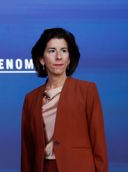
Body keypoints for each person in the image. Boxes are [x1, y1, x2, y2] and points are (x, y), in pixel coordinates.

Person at [21, 28, 108, 172]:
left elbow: (98, 143)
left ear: (69, 58)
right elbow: (27, 149)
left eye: (64, 50)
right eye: (52, 51)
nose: (59, 57)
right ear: (42, 59)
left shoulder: (87, 90)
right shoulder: (31, 99)